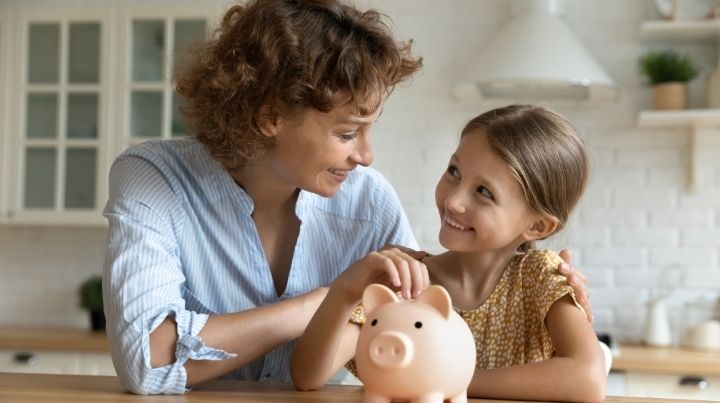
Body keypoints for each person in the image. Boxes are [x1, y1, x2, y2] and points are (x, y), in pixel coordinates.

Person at [102, 0, 592, 396]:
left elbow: (414, 331)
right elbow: (148, 361)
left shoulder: (369, 200)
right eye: (347, 132)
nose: (367, 156)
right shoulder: (153, 179)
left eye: (369, 129)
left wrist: (533, 286)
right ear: (271, 115)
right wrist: (317, 303)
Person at [291, 105, 607, 402]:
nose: (454, 200)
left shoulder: (539, 278)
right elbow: (308, 376)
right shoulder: (406, 282)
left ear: (538, 226)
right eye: (454, 171)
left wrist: (447, 379)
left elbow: (588, 378)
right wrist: (345, 290)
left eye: (484, 192)